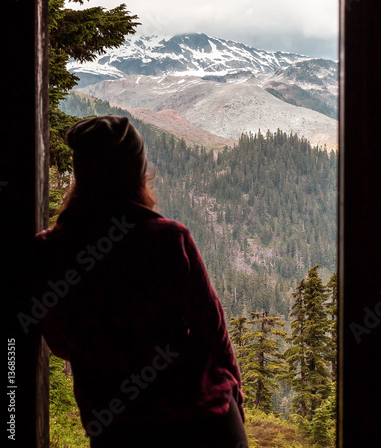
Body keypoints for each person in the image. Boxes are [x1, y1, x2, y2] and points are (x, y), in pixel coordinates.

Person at [33, 115, 248, 448]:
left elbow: (61, 342)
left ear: (82, 175)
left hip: (118, 428)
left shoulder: (50, 251)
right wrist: (234, 395)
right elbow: (212, 329)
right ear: (137, 173)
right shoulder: (169, 238)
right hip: (204, 420)